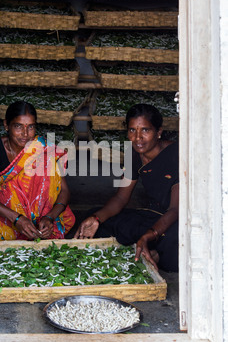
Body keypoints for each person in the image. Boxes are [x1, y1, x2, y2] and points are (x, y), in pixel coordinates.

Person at [74, 103, 179, 272]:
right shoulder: (134, 153)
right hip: (151, 216)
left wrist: (149, 234)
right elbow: (121, 198)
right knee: (96, 218)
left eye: (145, 130)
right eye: (132, 130)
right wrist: (96, 218)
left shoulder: (176, 154)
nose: (138, 137)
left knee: (178, 240)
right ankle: (149, 250)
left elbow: (175, 209)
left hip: (174, 220)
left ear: (158, 132)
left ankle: (155, 252)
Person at [0, 101, 75, 241]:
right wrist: (17, 219)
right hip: (6, 214)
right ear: (6, 125)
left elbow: (64, 191)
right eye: (18, 126)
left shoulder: (44, 149)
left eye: (30, 127)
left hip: (39, 220)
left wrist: (49, 217)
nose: (25, 134)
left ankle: (37, 229)